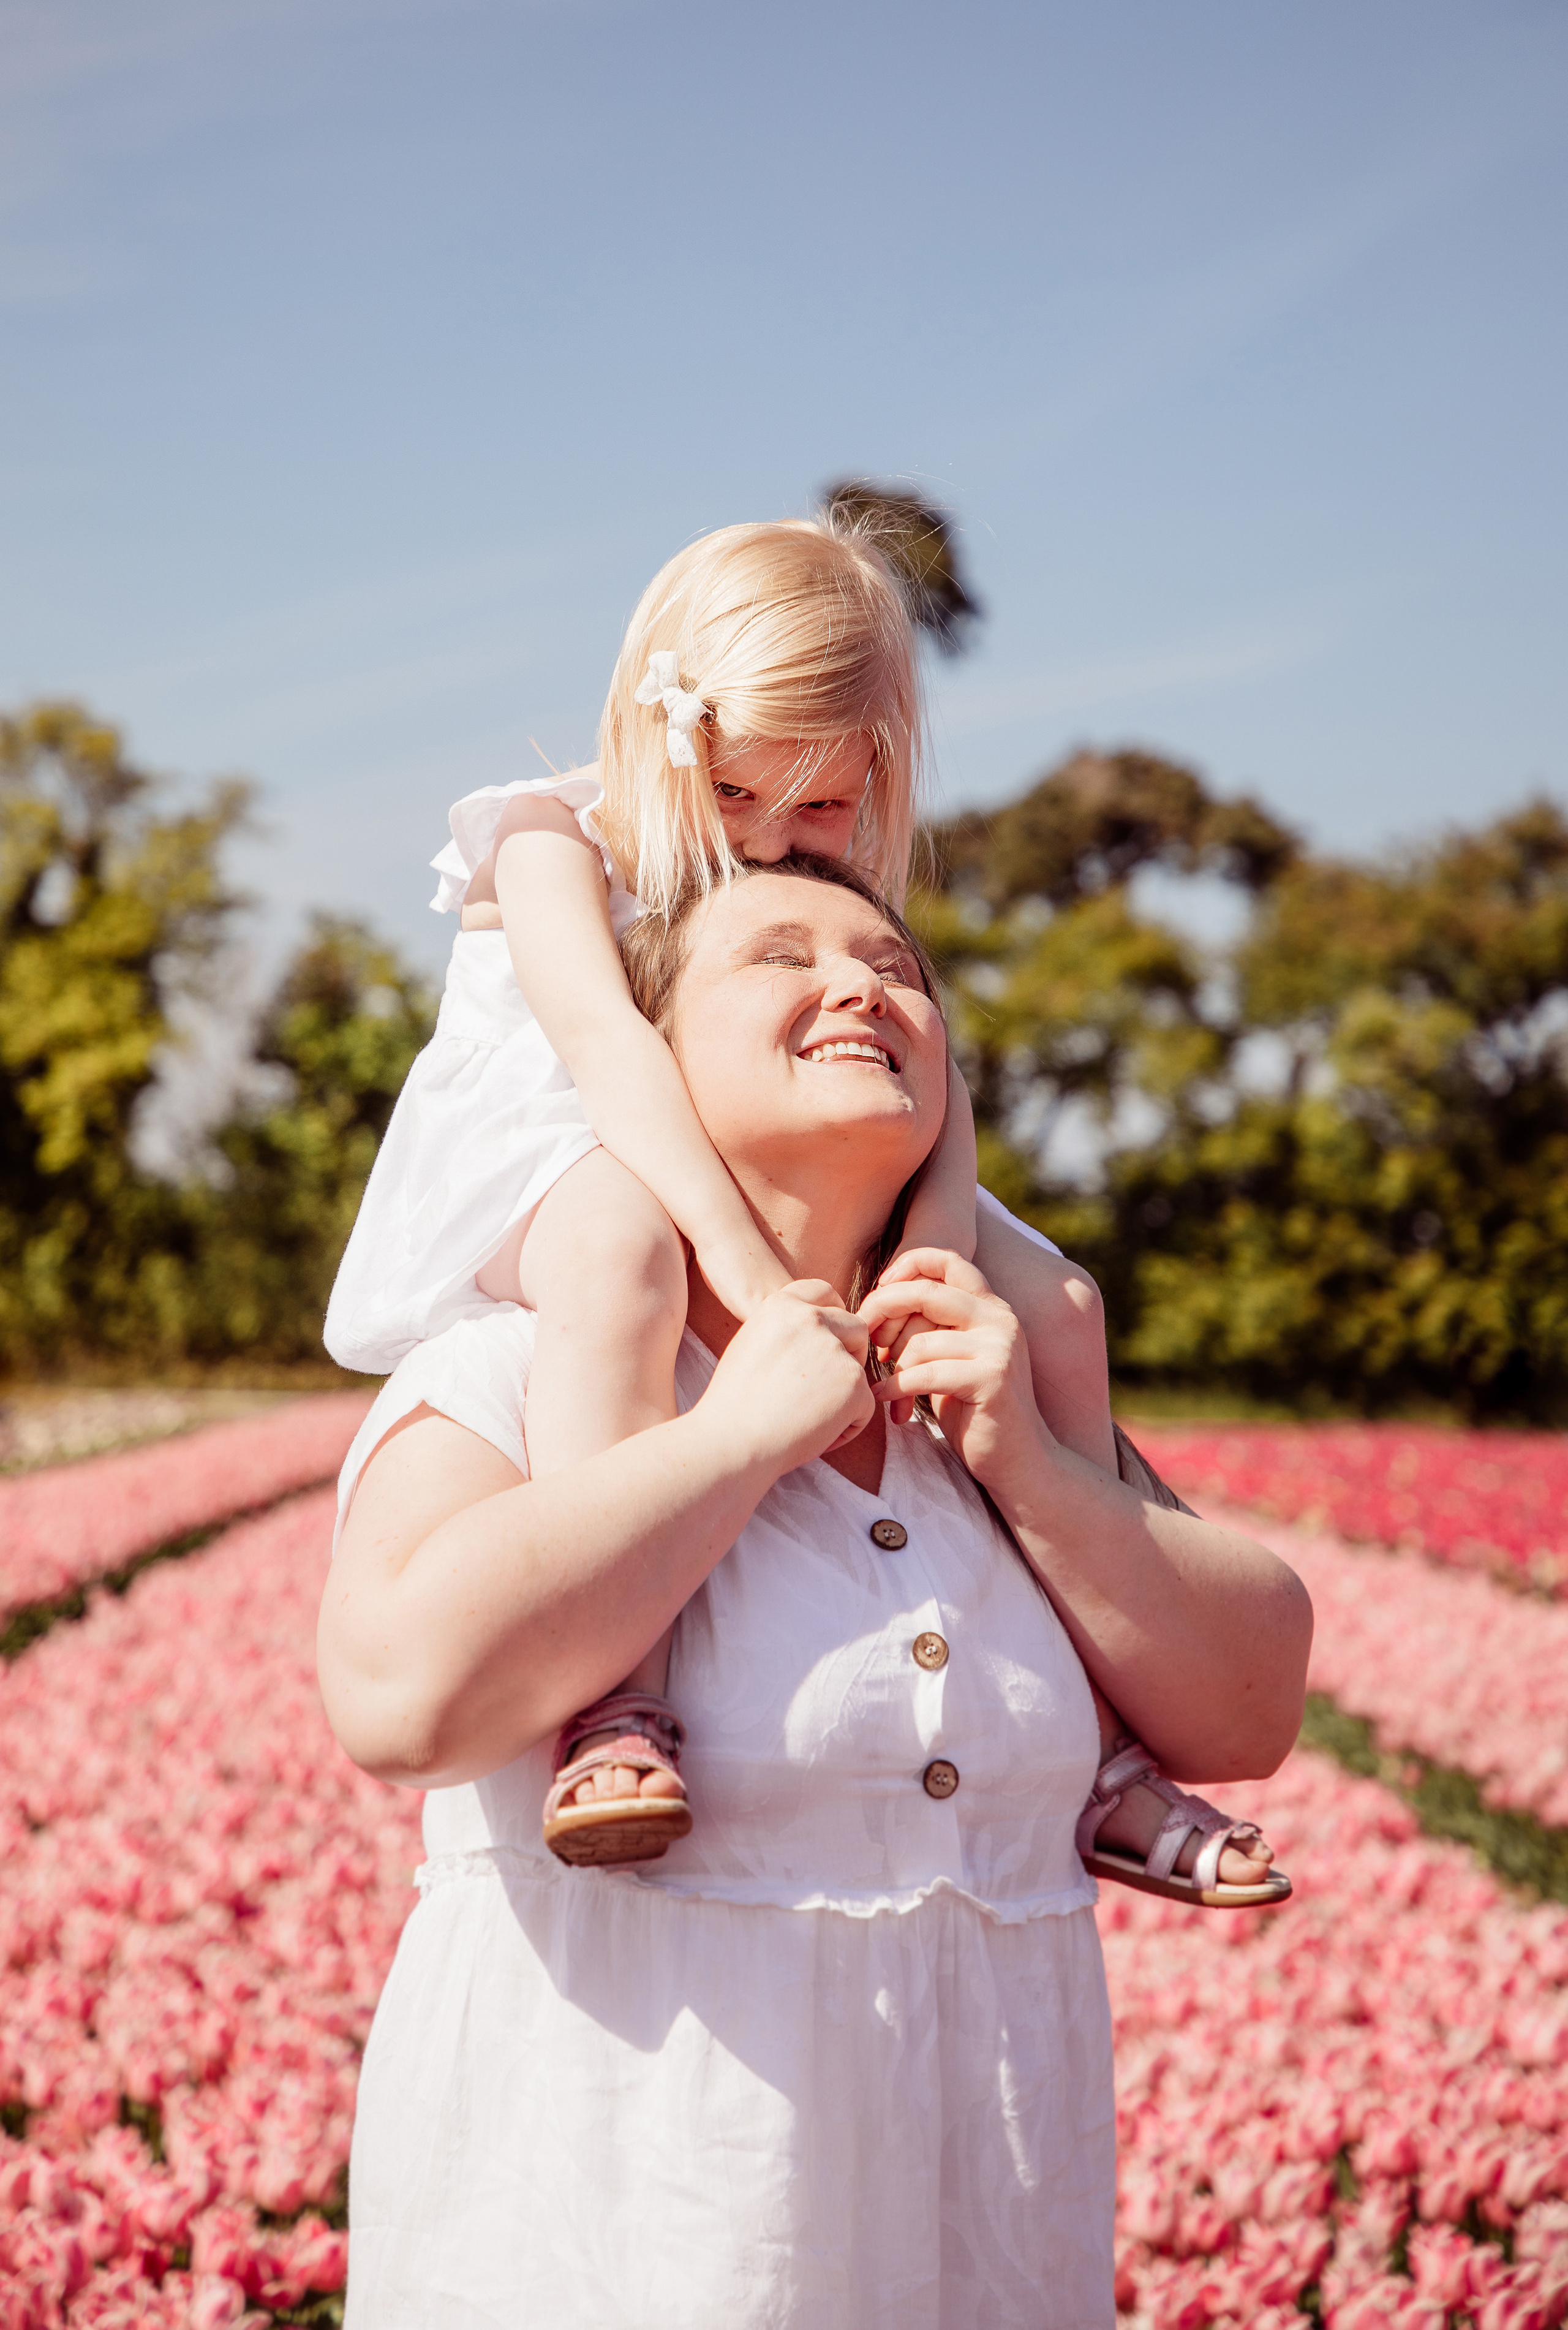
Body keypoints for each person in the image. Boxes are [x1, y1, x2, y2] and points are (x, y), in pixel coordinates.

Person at [318, 853, 1313, 2327]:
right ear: (646, 1066)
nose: (859, 983)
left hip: (975, 2266)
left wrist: (1028, 1466)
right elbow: (404, 1698)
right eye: (777, 954)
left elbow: (1251, 1701)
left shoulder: (990, 1397)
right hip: (611, 2259)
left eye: (897, 967)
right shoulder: (515, 1374)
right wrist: (734, 1438)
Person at [323, 515, 1286, 1904]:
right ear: (659, 737)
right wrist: (753, 1279)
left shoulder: (838, 902)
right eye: (735, 796)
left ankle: (1113, 1757)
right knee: (619, 1259)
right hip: (561, 1140)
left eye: (822, 808)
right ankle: (618, 1708)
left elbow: (940, 1103)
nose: (776, 841)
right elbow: (611, 1055)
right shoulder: (546, 839)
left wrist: (936, 1263)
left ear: (877, 775)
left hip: (707, 1154)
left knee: (1060, 1304)